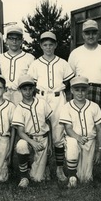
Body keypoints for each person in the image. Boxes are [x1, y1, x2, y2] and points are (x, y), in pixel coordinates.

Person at [68, 19, 101, 178]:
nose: (90, 35)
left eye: (93, 32)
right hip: (81, 90)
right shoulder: (75, 53)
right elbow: (70, 77)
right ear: (82, 34)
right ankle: (77, 164)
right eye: (87, 32)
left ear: (98, 33)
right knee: (81, 127)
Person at [27, 31, 74, 182]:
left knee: (58, 135)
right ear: (40, 45)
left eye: (51, 44)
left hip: (57, 98)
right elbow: (31, 83)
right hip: (40, 97)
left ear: (55, 45)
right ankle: (45, 166)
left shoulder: (62, 62)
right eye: (45, 44)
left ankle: (59, 168)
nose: (48, 47)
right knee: (41, 132)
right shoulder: (35, 63)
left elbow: (67, 82)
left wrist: (58, 92)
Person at [59, 76, 101, 188]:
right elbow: (68, 128)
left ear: (87, 90)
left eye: (83, 90)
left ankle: (79, 174)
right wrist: (78, 137)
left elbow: (99, 128)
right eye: (77, 90)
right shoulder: (67, 107)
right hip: (74, 138)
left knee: (86, 179)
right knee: (72, 144)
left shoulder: (94, 106)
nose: (80, 93)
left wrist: (100, 150)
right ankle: (72, 177)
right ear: (72, 91)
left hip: (89, 141)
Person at [12, 75, 54, 188]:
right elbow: (20, 132)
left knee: (37, 179)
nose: (28, 92)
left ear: (34, 88)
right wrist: (32, 143)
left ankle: (43, 166)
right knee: (21, 145)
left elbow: (48, 123)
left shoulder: (42, 103)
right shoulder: (19, 108)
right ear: (20, 90)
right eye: (24, 89)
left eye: (30, 88)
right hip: (29, 139)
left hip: (43, 138)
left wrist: (50, 144)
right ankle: (23, 177)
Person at [0, 24, 35, 105]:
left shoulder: (30, 58)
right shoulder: (0, 58)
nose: (14, 41)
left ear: (22, 40)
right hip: (4, 93)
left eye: (17, 39)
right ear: (6, 40)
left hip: (22, 93)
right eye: (11, 38)